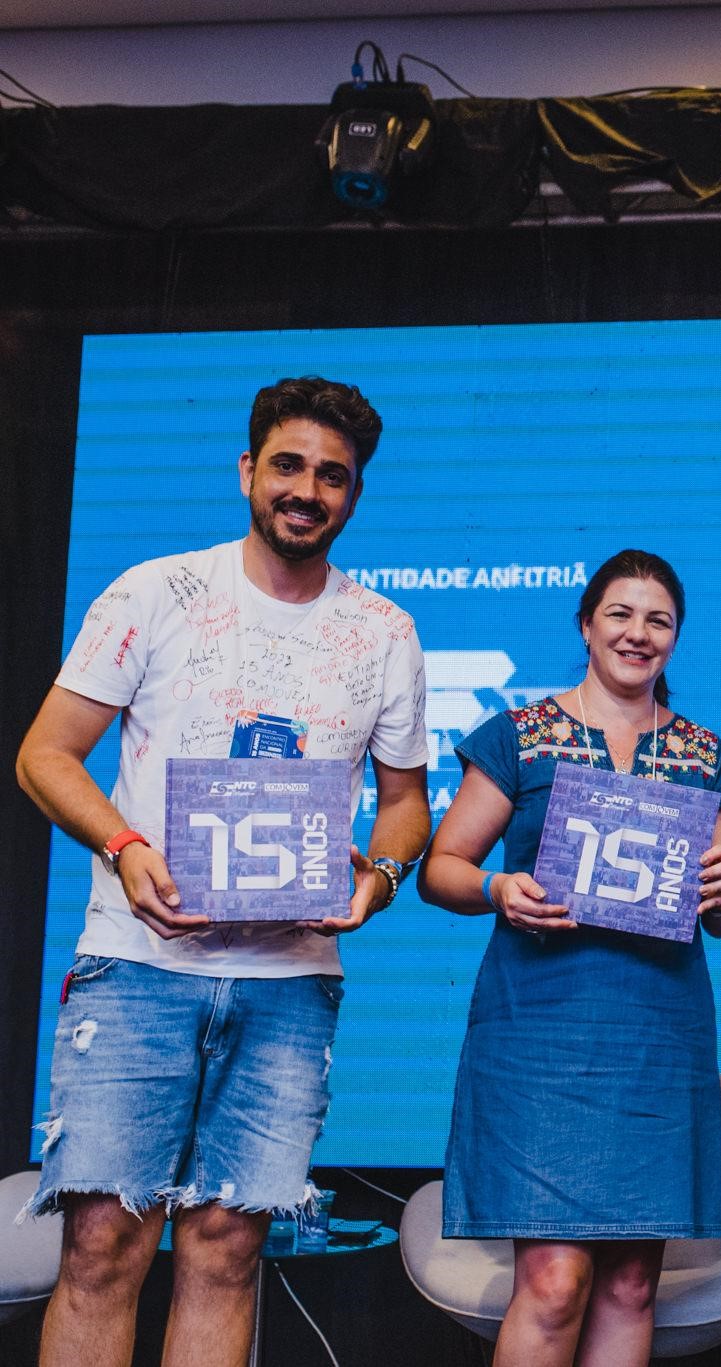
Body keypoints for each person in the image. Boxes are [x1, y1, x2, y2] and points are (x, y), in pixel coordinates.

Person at [13, 377, 431, 1367]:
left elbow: (407, 803)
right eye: (288, 465)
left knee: (228, 1247)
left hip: (289, 986)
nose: (307, 490)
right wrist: (126, 848)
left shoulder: (385, 631)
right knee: (104, 1245)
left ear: (354, 494)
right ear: (247, 471)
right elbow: (44, 754)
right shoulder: (156, 592)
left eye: (333, 476)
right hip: (136, 967)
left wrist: (379, 878)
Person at [418, 549, 721, 1367]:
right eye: (621, 614)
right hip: (538, 1040)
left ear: (675, 638)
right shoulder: (520, 735)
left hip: (656, 1042)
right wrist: (498, 889)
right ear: (586, 626)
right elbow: (440, 868)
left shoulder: (704, 754)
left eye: (659, 620)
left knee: (632, 1285)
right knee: (556, 1280)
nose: (639, 633)